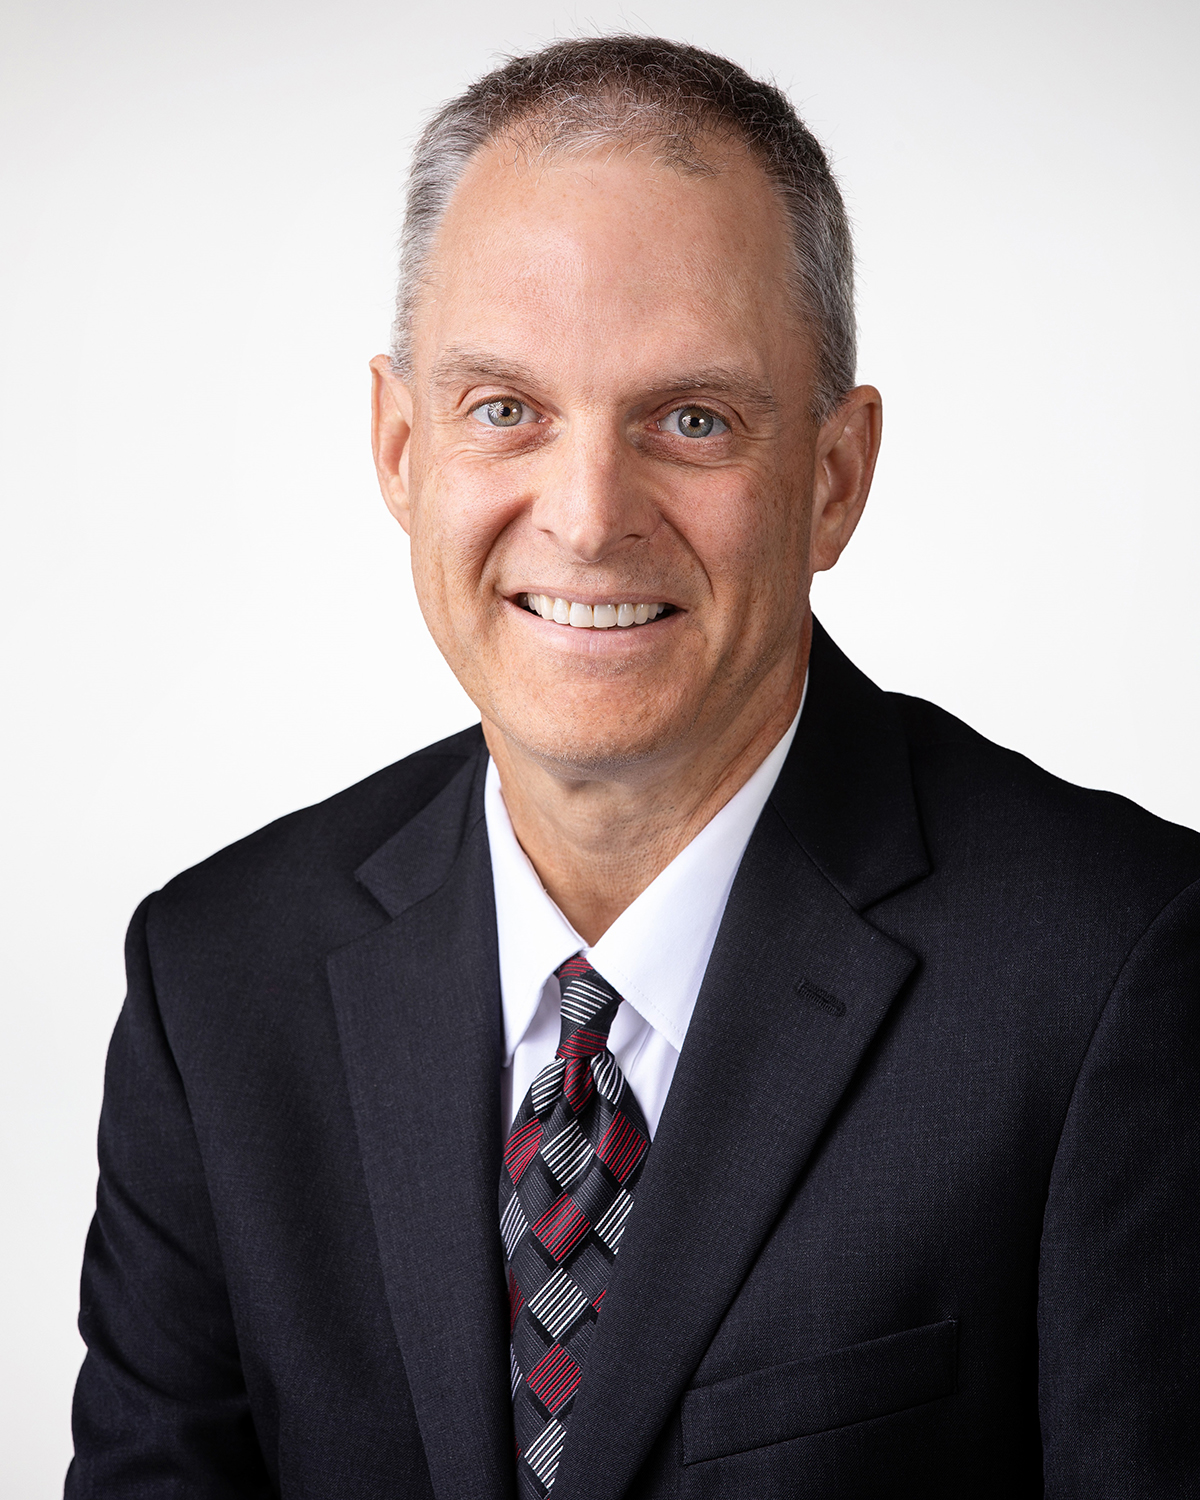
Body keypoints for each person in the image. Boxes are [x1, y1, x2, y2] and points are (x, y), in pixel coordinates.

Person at [67, 35, 1200, 1500]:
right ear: (400, 448)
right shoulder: (217, 983)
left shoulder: (1119, 972)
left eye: (693, 420)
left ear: (835, 479)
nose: (590, 515)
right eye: (505, 410)